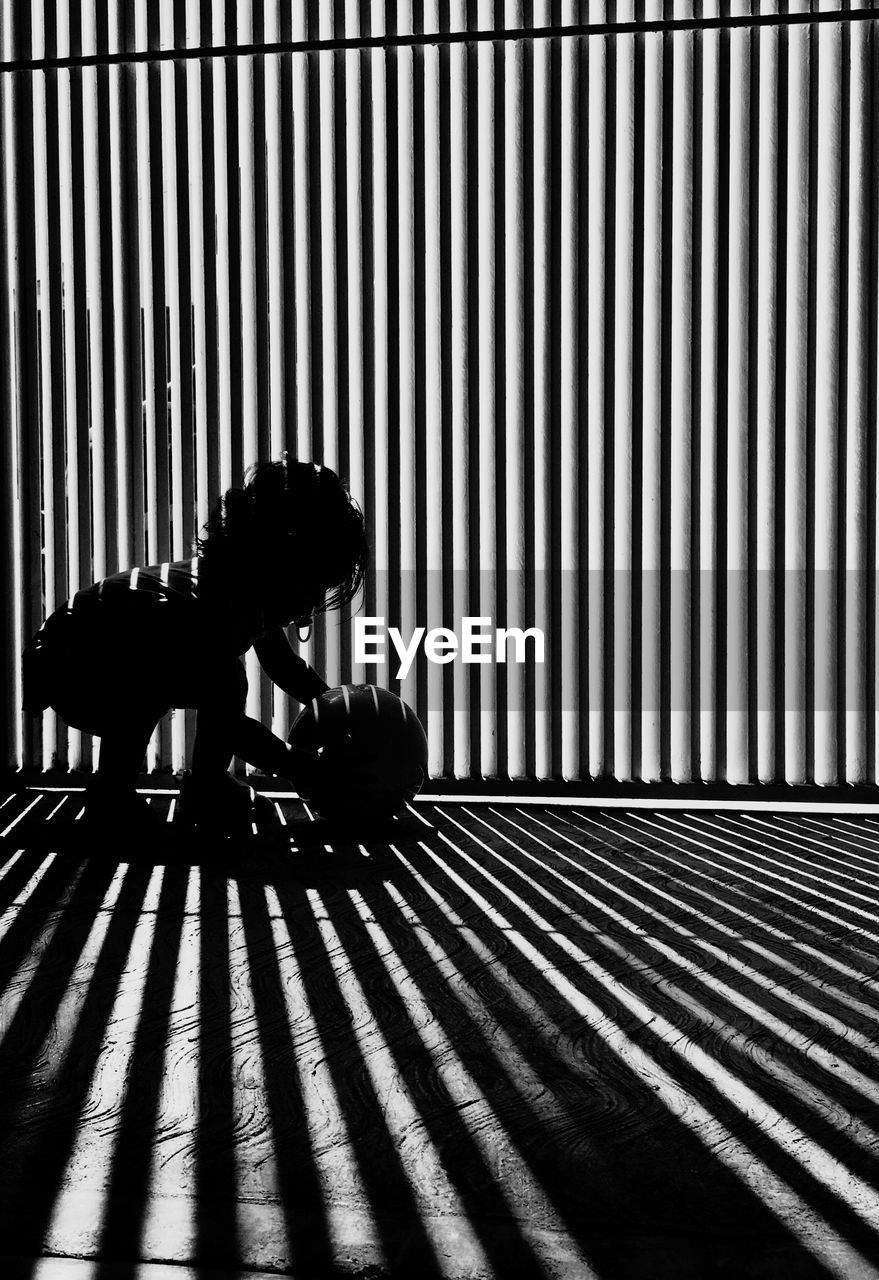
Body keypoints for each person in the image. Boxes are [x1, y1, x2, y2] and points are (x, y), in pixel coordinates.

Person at [21, 458, 369, 836]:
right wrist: (302, 768)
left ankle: (201, 784)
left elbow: (284, 667)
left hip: (85, 654)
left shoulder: (237, 590)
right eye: (313, 584)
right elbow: (230, 726)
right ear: (275, 563)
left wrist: (340, 710)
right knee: (218, 680)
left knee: (205, 680)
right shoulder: (210, 609)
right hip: (72, 666)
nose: (316, 602)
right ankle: (119, 793)